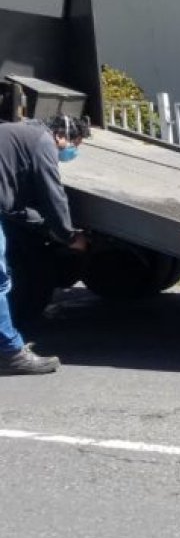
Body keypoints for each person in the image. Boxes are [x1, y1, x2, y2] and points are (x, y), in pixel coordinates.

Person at [0, 113, 90, 375]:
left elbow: (14, 205)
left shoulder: (19, 134)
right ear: (61, 135)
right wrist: (69, 236)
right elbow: (53, 193)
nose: (70, 152)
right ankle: (10, 353)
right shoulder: (43, 142)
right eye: (73, 145)